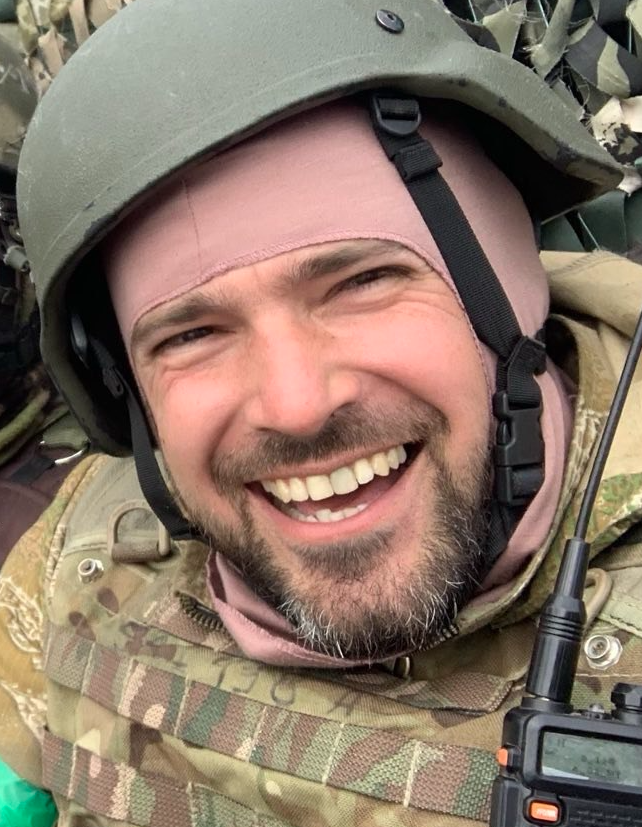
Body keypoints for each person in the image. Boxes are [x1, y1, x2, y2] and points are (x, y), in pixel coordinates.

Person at [1, 0, 642, 824]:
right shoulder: (78, 550)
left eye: (362, 283)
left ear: (506, 297)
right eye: (192, 334)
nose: (298, 405)